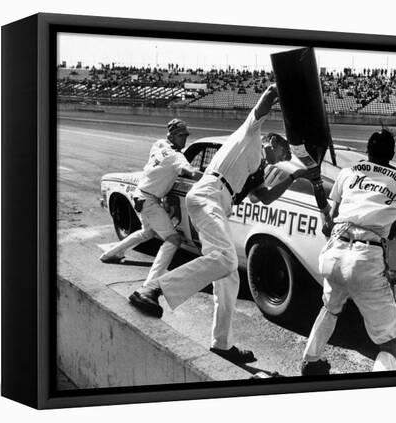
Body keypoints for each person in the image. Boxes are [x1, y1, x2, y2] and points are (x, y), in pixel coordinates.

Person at [128, 84, 317, 364]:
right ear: (273, 143)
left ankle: (221, 343)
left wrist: (293, 177)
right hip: (209, 194)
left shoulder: (257, 171)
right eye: (283, 154)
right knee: (227, 260)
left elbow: (264, 198)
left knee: (229, 276)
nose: (282, 160)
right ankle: (154, 289)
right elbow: (268, 94)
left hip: (217, 203)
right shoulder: (250, 135)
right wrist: (287, 92)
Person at [300, 128, 396, 375]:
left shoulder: (347, 173)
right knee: (390, 342)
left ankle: (311, 361)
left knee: (330, 308)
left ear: (367, 151)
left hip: (333, 253)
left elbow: (329, 221)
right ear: (392, 154)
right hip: (365, 258)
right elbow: (393, 231)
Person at [100, 118, 201, 287]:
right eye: (182, 135)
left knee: (147, 233)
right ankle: (151, 283)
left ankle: (110, 254)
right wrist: (212, 178)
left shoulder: (159, 144)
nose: (185, 139)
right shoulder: (177, 157)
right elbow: (189, 171)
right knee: (173, 239)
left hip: (141, 195)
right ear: (174, 136)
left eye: (186, 135)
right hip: (149, 200)